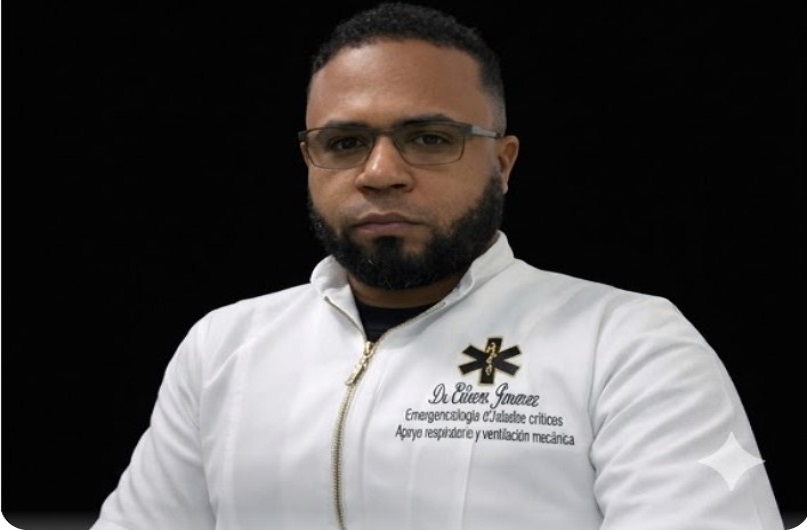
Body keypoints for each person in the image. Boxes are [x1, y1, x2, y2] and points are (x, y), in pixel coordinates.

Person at [90, 2, 786, 529]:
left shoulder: (629, 345)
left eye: (427, 138)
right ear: (309, 159)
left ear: (502, 163)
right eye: (344, 142)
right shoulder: (226, 346)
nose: (380, 172)